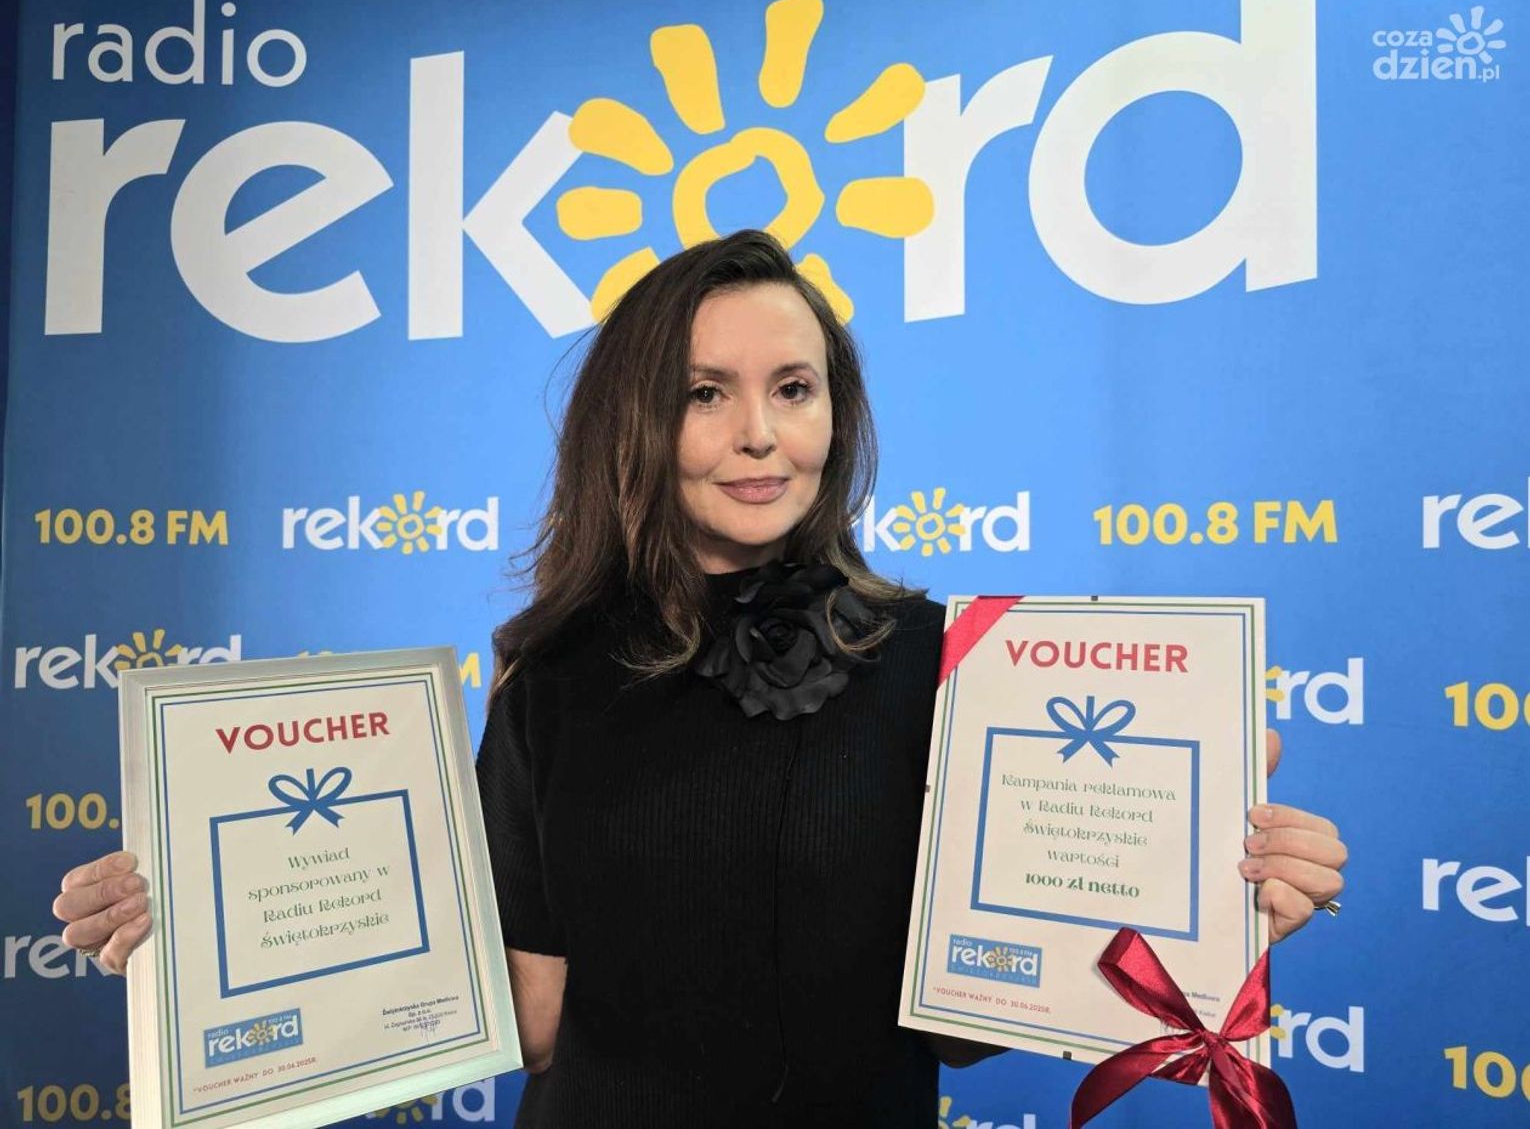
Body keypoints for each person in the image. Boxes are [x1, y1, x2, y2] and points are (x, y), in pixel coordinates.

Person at [54, 230, 1347, 1126]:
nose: (759, 435)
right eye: (705, 394)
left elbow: (962, 1019)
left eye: (793, 388)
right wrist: (209, 933)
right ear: (636, 420)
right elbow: (529, 1016)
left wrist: (1198, 901)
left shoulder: (952, 665)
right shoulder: (547, 680)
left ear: (835, 413)